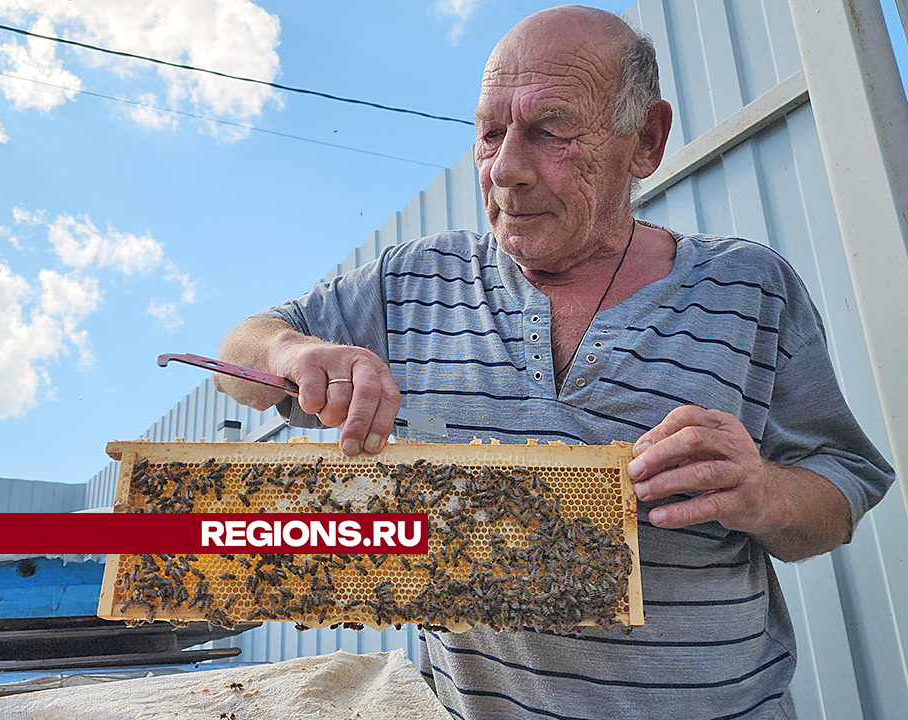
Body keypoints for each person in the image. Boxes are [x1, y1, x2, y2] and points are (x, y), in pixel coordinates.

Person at [215, 6, 895, 718]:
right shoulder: (409, 280)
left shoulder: (751, 288)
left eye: (550, 131)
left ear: (646, 140)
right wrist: (293, 351)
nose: (506, 169)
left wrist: (763, 493)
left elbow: (841, 488)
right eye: (489, 132)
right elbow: (239, 358)